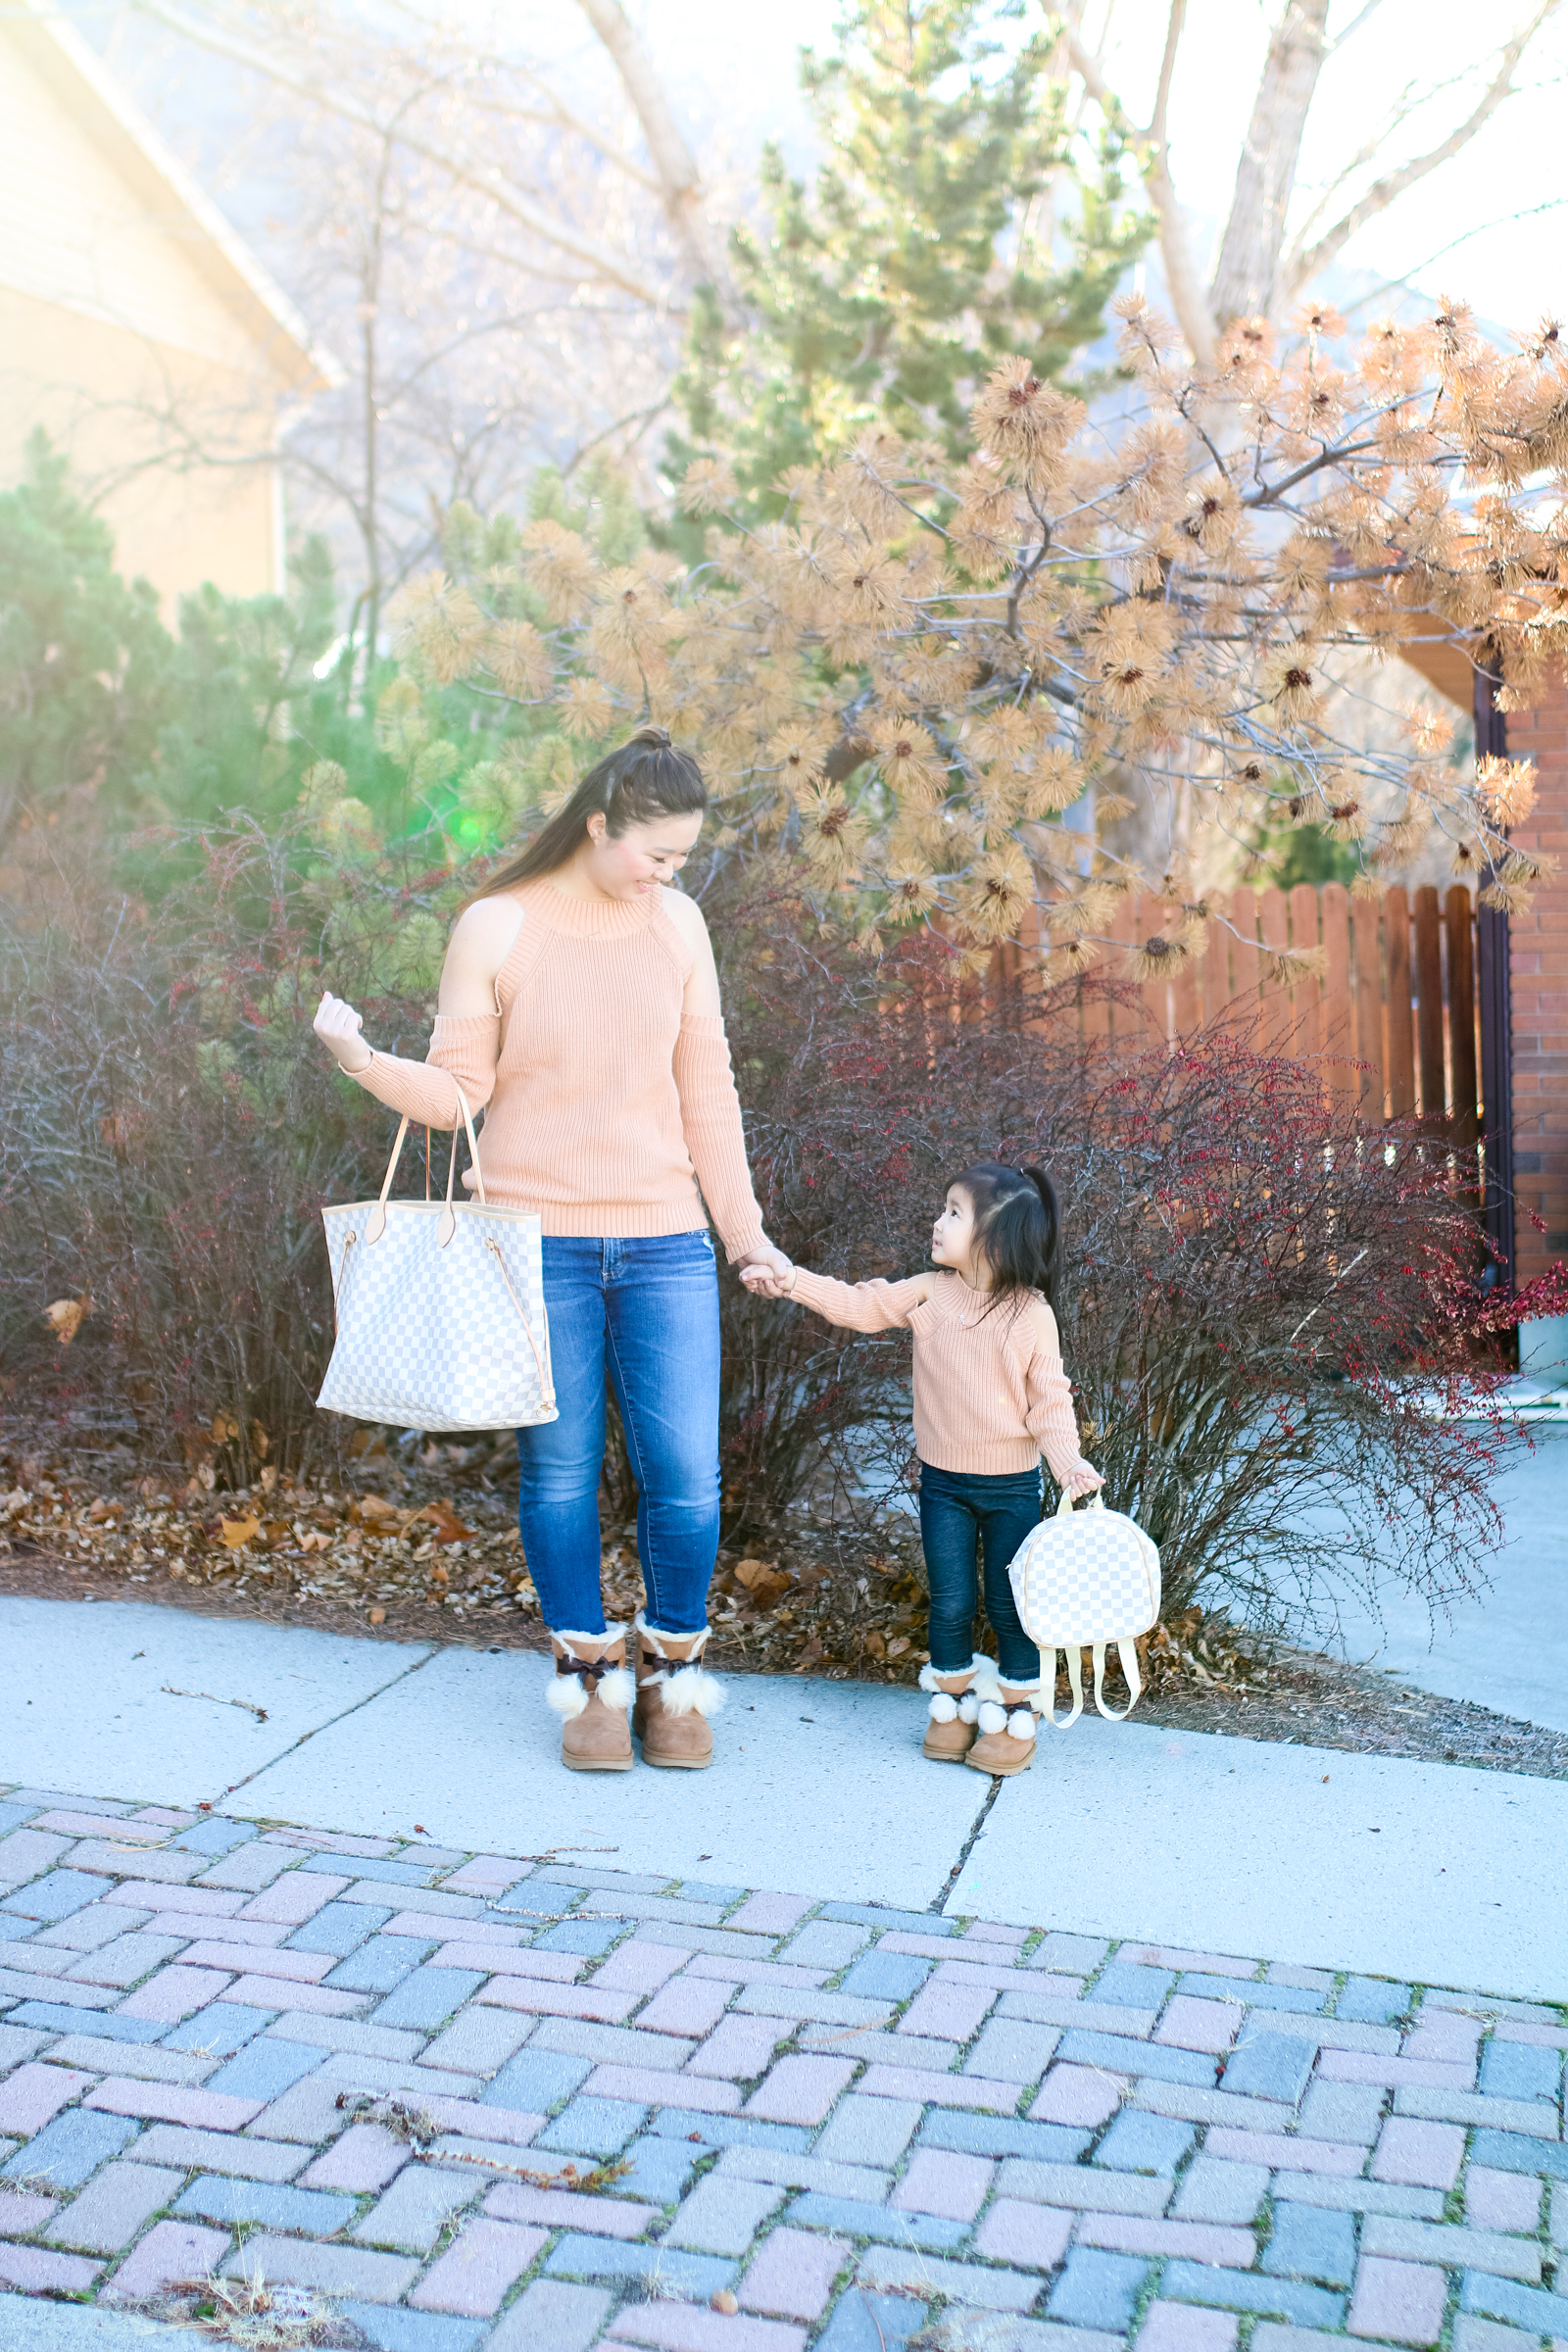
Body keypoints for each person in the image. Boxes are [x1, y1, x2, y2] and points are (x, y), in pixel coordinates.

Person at [314, 726, 789, 1775]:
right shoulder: (497, 926)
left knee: (688, 1480)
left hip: (666, 1242)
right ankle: (587, 1680)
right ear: (597, 824)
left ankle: (672, 1677)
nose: (669, 874)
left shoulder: (679, 927)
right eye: (655, 853)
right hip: (532, 1249)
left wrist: (744, 1235)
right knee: (561, 1478)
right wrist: (358, 1057)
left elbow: (707, 1092)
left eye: (681, 859)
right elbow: (455, 1097)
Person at [743, 1162, 1102, 1776]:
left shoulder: (1030, 1314)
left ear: (996, 1235)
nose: (938, 1223)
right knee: (952, 1599)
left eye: (955, 1213)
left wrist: (1068, 1462)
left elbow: (1050, 1399)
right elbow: (861, 1305)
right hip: (943, 1484)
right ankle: (951, 1706)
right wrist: (792, 1279)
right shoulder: (931, 1292)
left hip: (1012, 1487)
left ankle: (1016, 1715)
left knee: (1010, 1602)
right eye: (944, 1209)